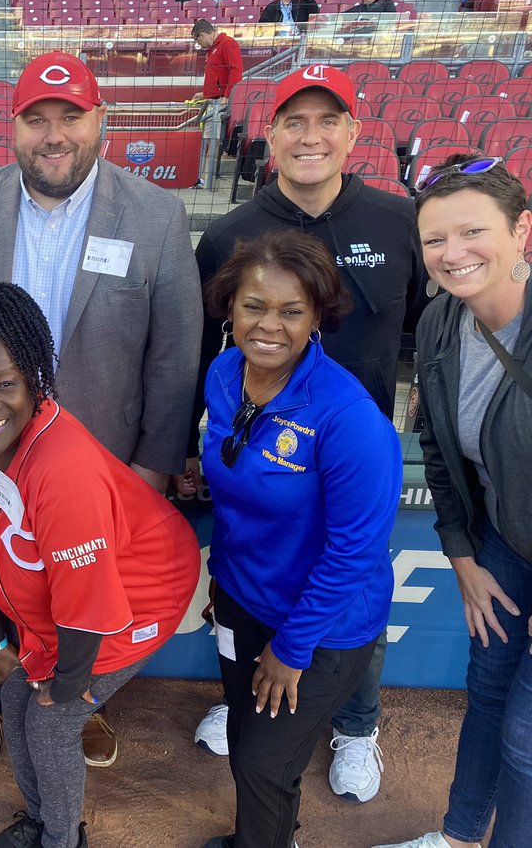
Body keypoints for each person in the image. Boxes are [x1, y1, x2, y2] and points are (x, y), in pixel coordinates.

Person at [0, 50, 202, 771]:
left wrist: (148, 469)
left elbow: (175, 358)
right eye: (36, 120)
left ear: (101, 123)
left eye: (70, 118)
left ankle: (80, 704)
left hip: (102, 465)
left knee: (81, 595)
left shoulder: (156, 215)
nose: (54, 135)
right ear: (12, 130)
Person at [181, 63, 428, 804]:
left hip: (352, 459)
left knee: (351, 589)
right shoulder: (230, 233)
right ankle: (252, 701)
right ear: (271, 134)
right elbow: (203, 352)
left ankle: (355, 728)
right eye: (294, 121)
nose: (310, 136)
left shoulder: (396, 222)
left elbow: (421, 331)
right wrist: (191, 450)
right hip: (263, 457)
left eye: (328, 121)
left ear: (354, 134)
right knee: (249, 573)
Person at [0, 280, 200, 848]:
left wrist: (67, 684)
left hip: (139, 588)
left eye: (6, 384)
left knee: (49, 722)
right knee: (13, 697)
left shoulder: (62, 467)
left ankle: (62, 839)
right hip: (61, 603)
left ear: (35, 381)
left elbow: (89, 602)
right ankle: (43, 819)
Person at [199, 231, 401, 848]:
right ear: (229, 307)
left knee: (264, 763)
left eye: (291, 311)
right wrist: (225, 578)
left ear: (316, 317)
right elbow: (237, 487)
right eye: (254, 306)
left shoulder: (348, 419)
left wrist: (292, 650)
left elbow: (354, 553)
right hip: (240, 599)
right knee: (244, 737)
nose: (269, 326)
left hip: (321, 626)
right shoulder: (224, 372)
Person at [372, 154, 532, 848]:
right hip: (504, 537)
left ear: (523, 230)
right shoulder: (440, 325)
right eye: (435, 239)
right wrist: (462, 554)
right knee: (489, 689)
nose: (451, 253)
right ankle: (460, 835)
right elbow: (438, 450)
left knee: (526, 737)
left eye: (472, 233)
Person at [190, 19, 243, 188]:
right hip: (213, 100)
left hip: (221, 101)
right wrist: (205, 94)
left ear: (203, 34)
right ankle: (205, 179)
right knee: (209, 138)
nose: (198, 43)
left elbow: (236, 71)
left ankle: (209, 179)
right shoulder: (213, 49)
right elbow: (217, 76)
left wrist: (227, 96)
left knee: (214, 139)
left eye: (197, 40)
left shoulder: (228, 44)